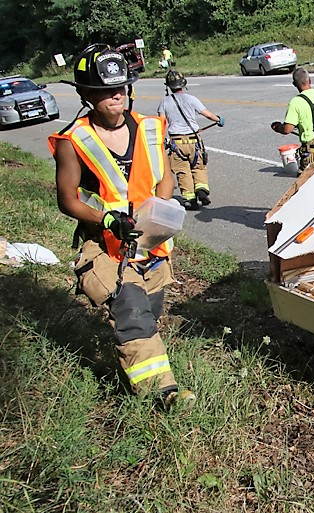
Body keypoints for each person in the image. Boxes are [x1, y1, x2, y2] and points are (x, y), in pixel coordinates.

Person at [48, 43, 194, 409]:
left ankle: (140, 360)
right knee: (130, 309)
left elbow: (164, 179)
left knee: (147, 312)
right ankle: (162, 394)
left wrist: (159, 212)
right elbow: (67, 199)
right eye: (105, 90)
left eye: (121, 88)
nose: (116, 96)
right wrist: (107, 218)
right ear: (85, 94)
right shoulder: (73, 141)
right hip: (105, 246)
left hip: (150, 243)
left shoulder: (149, 128)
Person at [157, 70, 225, 210]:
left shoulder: (164, 102)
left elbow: (161, 123)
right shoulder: (191, 99)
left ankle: (190, 199)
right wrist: (218, 119)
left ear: (168, 86)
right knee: (198, 167)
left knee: (183, 171)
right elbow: (207, 114)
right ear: (184, 84)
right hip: (194, 141)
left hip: (177, 143)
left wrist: (161, 140)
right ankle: (201, 190)